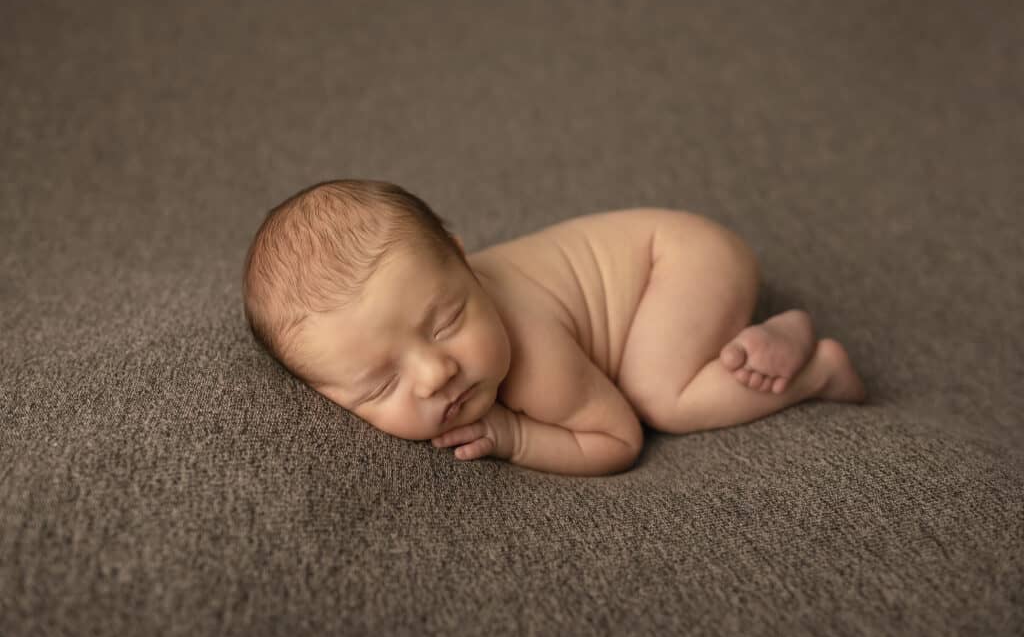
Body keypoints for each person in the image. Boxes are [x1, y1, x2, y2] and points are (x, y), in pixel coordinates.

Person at [242, 179, 866, 476]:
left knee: (661, 397)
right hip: (662, 263)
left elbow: (617, 440)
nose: (436, 373)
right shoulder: (424, 294)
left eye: (448, 321)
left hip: (681, 263)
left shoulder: (533, 357)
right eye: (380, 385)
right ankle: (766, 334)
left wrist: (515, 435)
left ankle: (814, 368)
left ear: (463, 262)